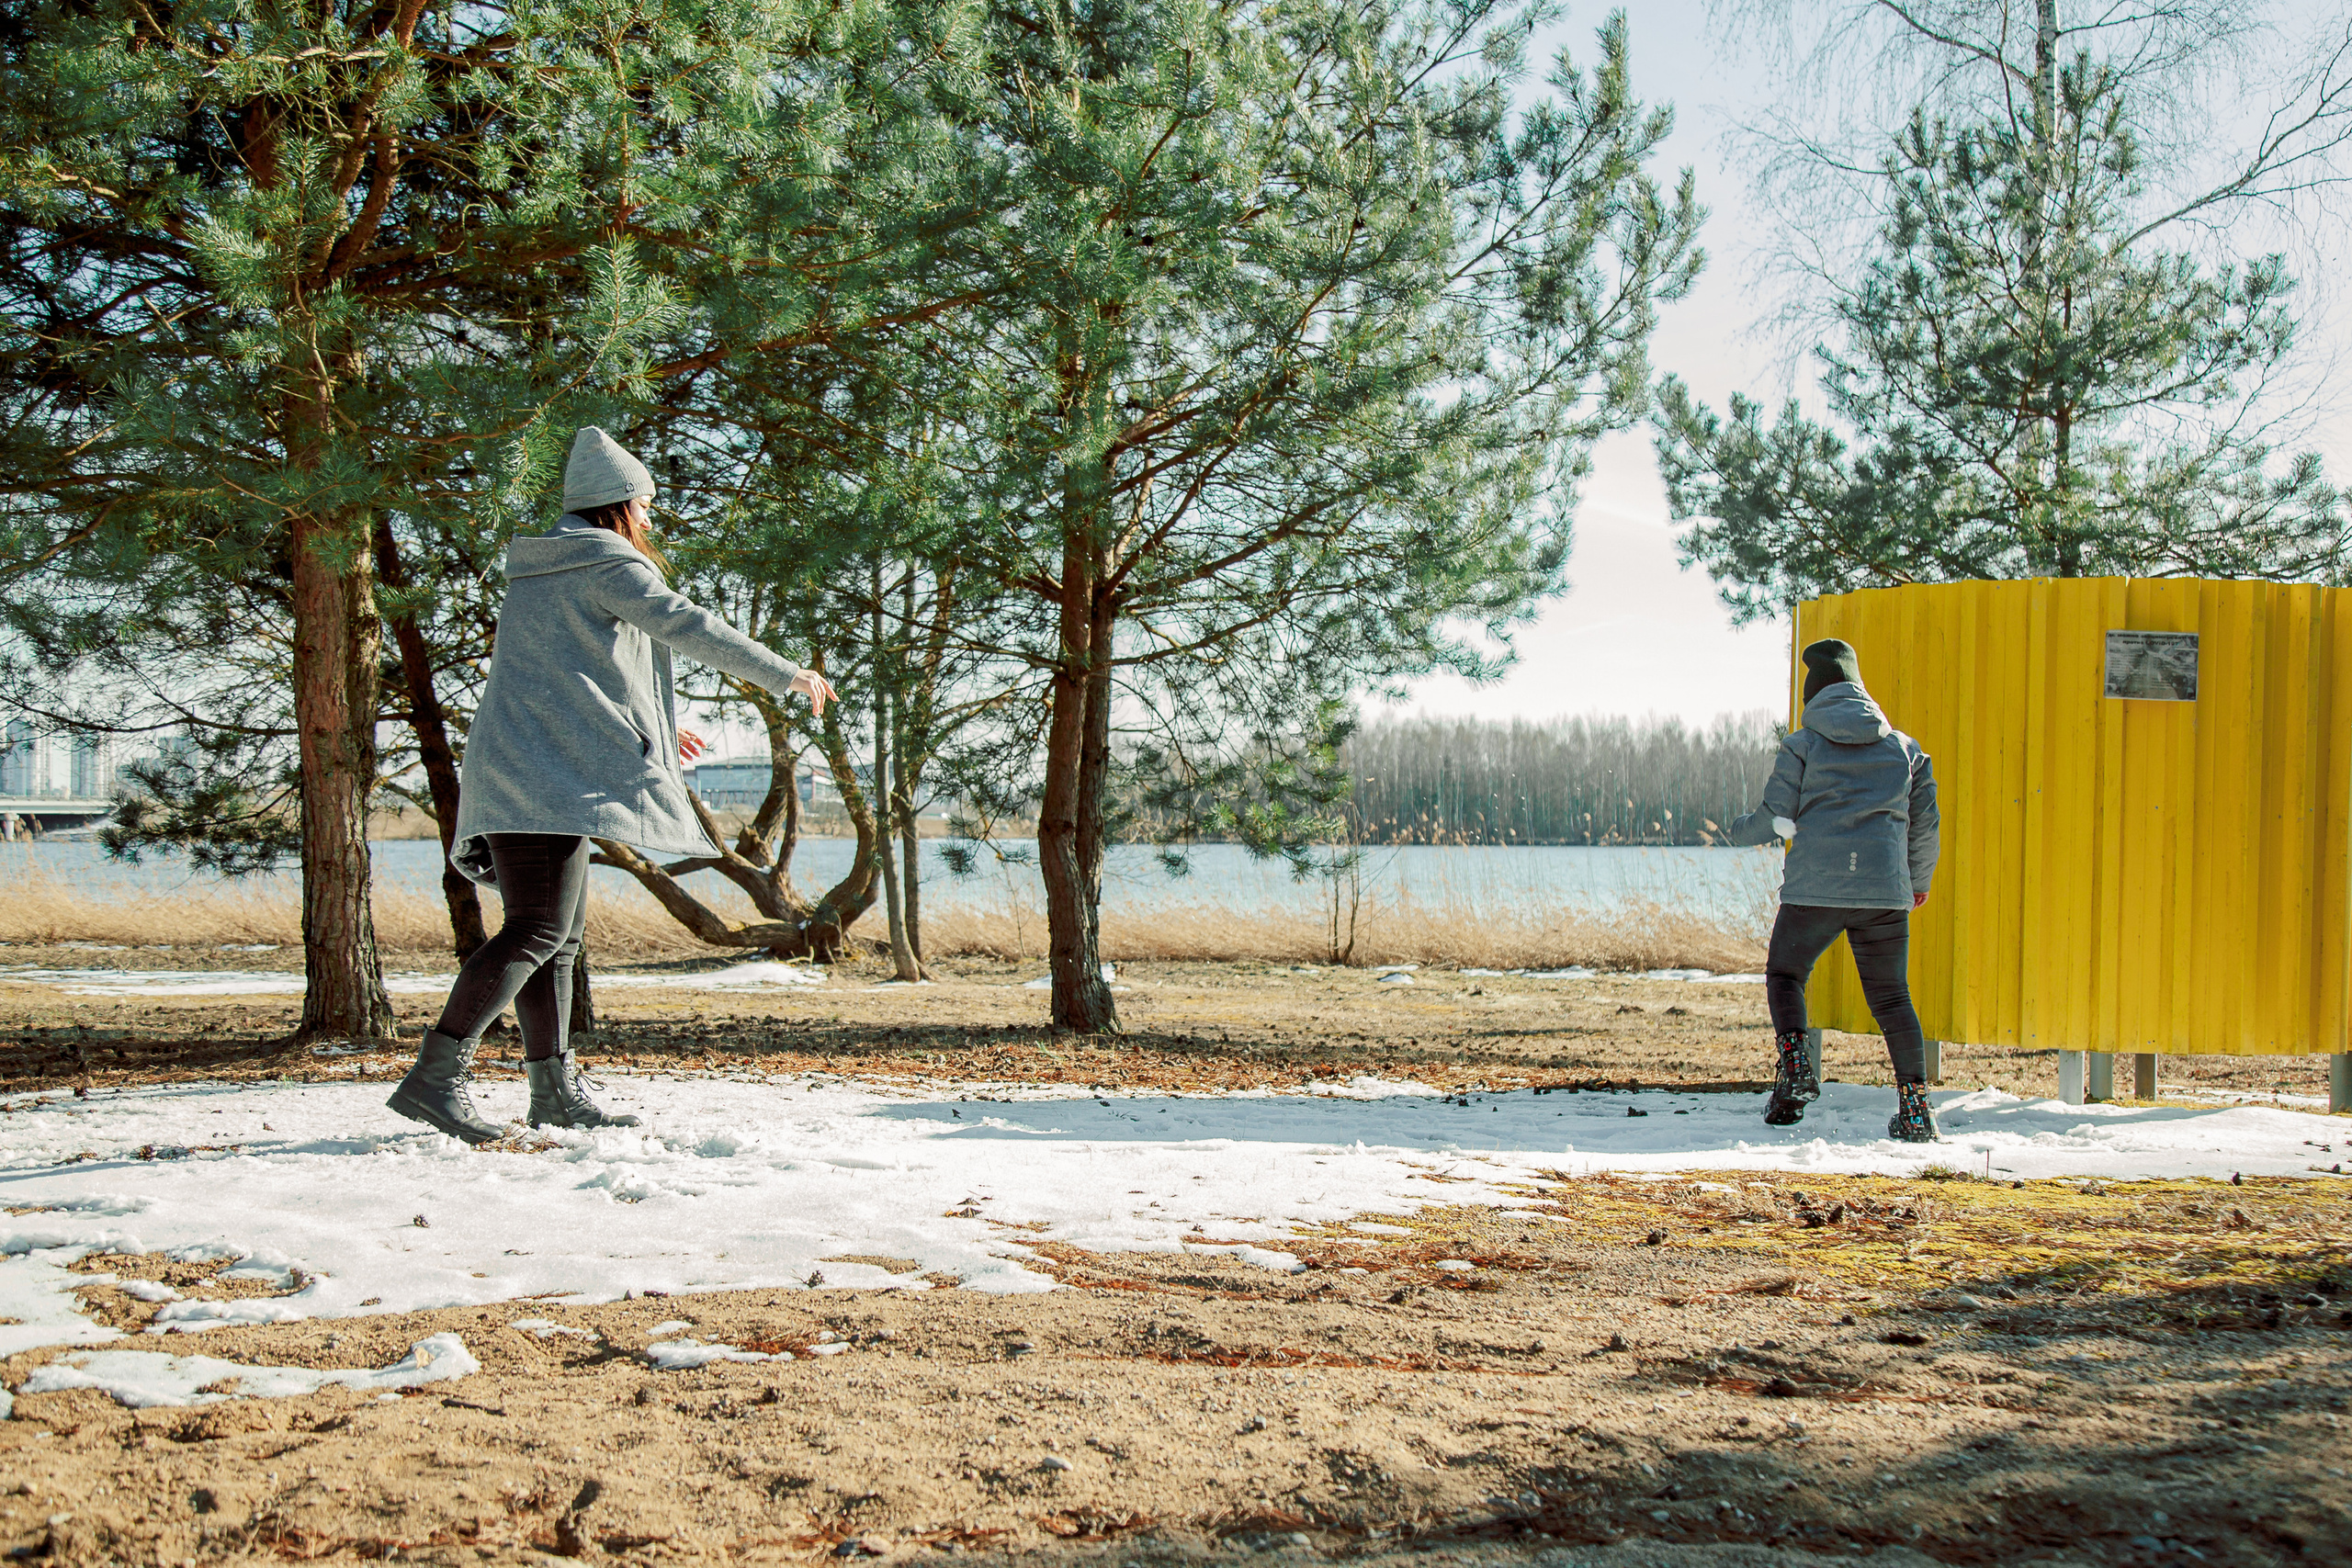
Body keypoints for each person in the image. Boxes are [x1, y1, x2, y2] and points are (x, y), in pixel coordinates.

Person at [388, 427, 836, 1145]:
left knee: (553, 937)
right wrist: (788, 673)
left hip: (521, 769)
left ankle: (555, 1091)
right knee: (538, 930)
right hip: (541, 779)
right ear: (618, 505)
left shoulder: (543, 567)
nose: (651, 520)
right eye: (647, 505)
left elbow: (572, 677)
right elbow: (689, 626)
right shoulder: (603, 561)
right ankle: (434, 1080)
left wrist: (658, 724)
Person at [1726, 639, 1941, 1142]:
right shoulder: (1906, 750)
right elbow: (1924, 825)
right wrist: (1918, 882)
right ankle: (1915, 1109)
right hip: (1884, 893)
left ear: (1813, 694)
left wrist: (1737, 831)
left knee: (1785, 974)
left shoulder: (1802, 745)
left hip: (1813, 891)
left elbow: (1776, 820)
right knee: (1892, 997)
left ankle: (1796, 1069)